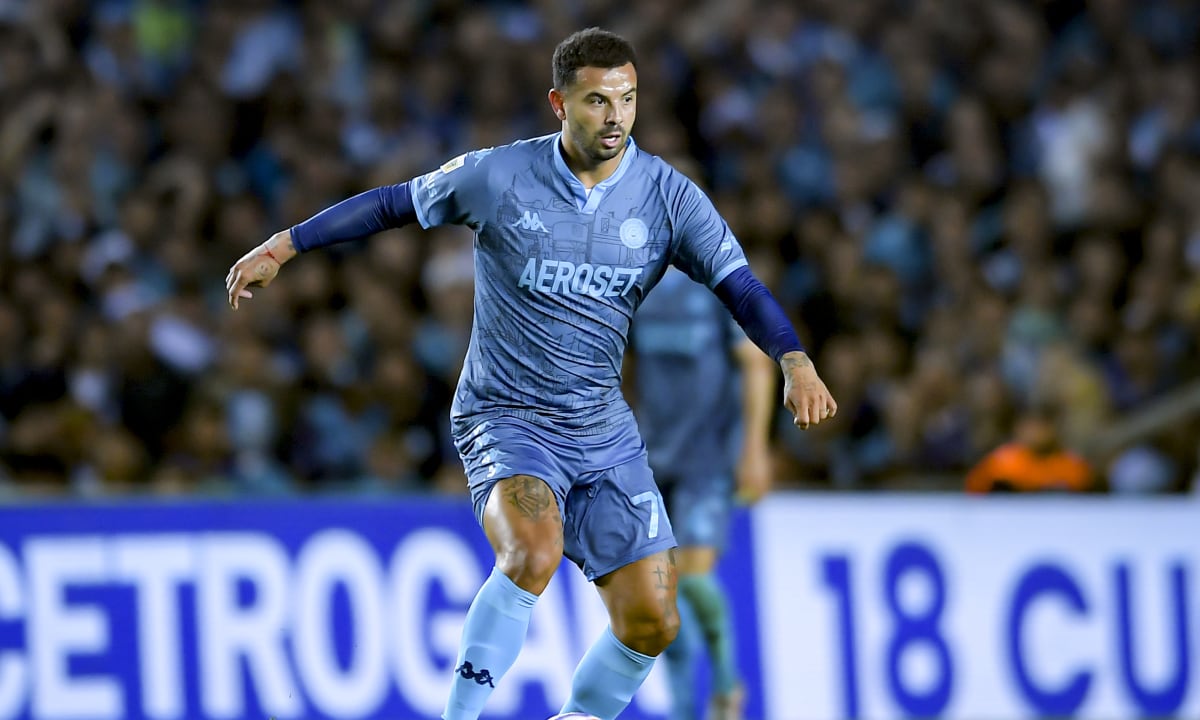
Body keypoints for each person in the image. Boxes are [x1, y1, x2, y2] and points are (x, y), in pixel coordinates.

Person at [225, 27, 837, 720]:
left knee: (652, 623)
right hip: (506, 414)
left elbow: (744, 290)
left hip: (603, 430)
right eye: (598, 101)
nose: (615, 117)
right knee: (533, 550)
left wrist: (794, 359)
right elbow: (395, 203)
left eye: (628, 100)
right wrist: (287, 244)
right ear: (559, 102)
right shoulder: (500, 176)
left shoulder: (668, 197)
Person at [627, 265, 778, 720]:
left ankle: (728, 684)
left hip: (708, 457)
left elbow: (756, 364)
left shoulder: (719, 282)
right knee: (660, 598)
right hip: (652, 460)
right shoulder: (633, 282)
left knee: (692, 576)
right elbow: (624, 369)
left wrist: (754, 448)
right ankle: (684, 711)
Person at [965, 401, 1094, 493]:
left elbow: (1085, 489)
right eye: (1029, 427)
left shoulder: (1070, 462)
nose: (1034, 433)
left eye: (1040, 427)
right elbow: (975, 488)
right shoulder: (1003, 460)